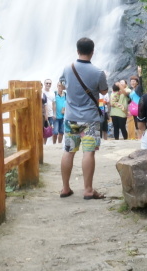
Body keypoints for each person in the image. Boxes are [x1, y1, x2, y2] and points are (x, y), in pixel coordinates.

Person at [58, 37, 109, 200]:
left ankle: (65, 188)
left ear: (77, 51)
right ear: (92, 52)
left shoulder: (67, 68)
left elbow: (62, 84)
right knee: (88, 152)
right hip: (90, 119)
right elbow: (103, 92)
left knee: (69, 151)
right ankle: (88, 190)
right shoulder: (98, 72)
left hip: (72, 118)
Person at [129, 75, 145, 139]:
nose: (132, 83)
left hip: (139, 108)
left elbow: (141, 84)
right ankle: (139, 138)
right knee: (136, 124)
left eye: (134, 81)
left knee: (140, 122)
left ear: (137, 82)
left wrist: (140, 75)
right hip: (134, 109)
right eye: (131, 81)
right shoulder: (132, 90)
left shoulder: (138, 88)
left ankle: (142, 138)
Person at [53, 79, 67, 145]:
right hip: (56, 116)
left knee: (61, 132)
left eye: (61, 86)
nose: (60, 87)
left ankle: (59, 144)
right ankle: (54, 144)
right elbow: (52, 104)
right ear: (57, 86)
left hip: (63, 116)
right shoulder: (54, 94)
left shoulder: (66, 95)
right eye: (59, 86)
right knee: (55, 132)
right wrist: (53, 114)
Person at [42, 78, 55, 144]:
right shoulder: (42, 92)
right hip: (43, 114)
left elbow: (53, 103)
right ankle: (42, 144)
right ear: (44, 84)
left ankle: (45, 144)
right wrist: (45, 114)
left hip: (50, 114)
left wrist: (54, 113)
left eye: (49, 83)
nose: (48, 84)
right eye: (47, 83)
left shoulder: (52, 92)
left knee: (48, 129)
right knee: (42, 129)